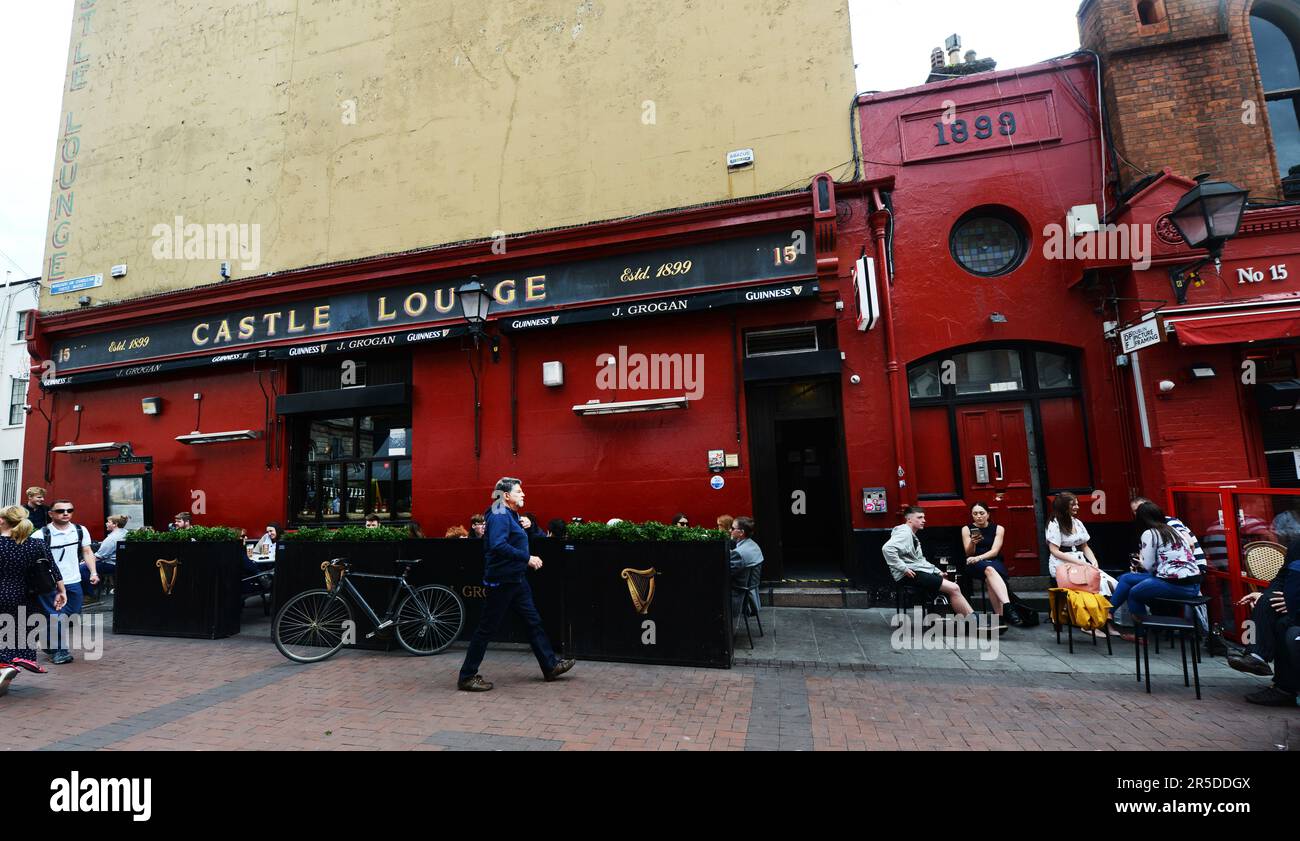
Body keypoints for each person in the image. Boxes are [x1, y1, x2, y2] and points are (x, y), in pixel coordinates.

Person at [458, 477, 574, 691]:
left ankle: (550, 666)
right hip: (502, 580)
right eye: (519, 491)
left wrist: (527, 526)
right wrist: (527, 558)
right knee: (486, 629)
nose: (523, 494)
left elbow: (511, 538)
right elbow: (498, 545)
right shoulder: (500, 513)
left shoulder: (509, 513)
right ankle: (467, 676)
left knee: (533, 622)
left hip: (515, 579)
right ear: (506, 495)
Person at [1108, 501, 1203, 640]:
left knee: (1134, 592)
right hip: (1193, 584)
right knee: (1126, 578)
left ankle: (1140, 634)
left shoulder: (1149, 533)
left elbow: (1148, 565)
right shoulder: (1174, 530)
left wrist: (1141, 562)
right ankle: (1109, 612)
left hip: (1175, 585)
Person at [1, 505, 66, 692]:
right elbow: (52, 569)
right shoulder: (36, 544)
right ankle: (15, 661)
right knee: (19, 631)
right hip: (26, 596)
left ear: (2, 520)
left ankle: (6, 665)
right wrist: (61, 592)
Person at [1228, 537, 1300, 706]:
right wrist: (1267, 595)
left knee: (1285, 626)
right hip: (1292, 601)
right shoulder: (1297, 544)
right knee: (1264, 602)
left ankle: (1285, 689)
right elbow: (1281, 578)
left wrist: (1293, 600)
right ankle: (1255, 656)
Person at [32, 499, 95, 664]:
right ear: (51, 514)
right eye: (60, 511)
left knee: (72, 614)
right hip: (50, 583)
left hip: (73, 580)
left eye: (69, 510)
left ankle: (46, 636)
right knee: (56, 616)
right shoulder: (41, 534)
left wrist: (93, 572)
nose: (66, 513)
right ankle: (60, 651)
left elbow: (87, 551)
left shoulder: (80, 530)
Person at [882, 506, 973, 617]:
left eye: (924, 517)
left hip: (915, 572)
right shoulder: (904, 533)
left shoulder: (912, 535)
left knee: (953, 587)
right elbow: (887, 549)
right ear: (909, 519)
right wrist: (904, 569)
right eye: (919, 517)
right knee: (954, 588)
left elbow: (920, 561)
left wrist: (937, 571)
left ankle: (970, 618)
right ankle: (973, 620)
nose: (924, 520)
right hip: (908, 575)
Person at [1046, 491, 1117, 610]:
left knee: (1111, 582)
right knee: (1097, 585)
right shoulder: (1054, 524)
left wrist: (1093, 561)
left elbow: (1084, 546)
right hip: (1063, 565)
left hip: (1081, 562)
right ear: (1064, 507)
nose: (1077, 507)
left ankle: (1105, 618)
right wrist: (1079, 563)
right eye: (1073, 504)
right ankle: (1092, 621)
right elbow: (1054, 551)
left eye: (1077, 504)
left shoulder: (1077, 523)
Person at [961, 502, 1013, 629]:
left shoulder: (998, 528)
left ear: (988, 514)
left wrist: (978, 558)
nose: (978, 516)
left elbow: (994, 551)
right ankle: (1006, 608)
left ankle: (999, 618)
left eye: (981, 513)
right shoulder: (967, 529)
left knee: (990, 574)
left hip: (992, 559)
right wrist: (973, 543)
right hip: (974, 564)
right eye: (975, 514)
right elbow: (969, 553)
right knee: (989, 570)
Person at [83, 514, 128, 601]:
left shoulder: (111, 538)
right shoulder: (125, 532)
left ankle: (89, 596)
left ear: (115, 524)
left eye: (109, 522)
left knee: (83, 568)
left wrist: (85, 561)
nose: (106, 523)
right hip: (120, 563)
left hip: (111, 565)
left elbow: (99, 556)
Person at [728, 516, 763, 625]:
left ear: (741, 532)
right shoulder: (754, 545)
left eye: (733, 528)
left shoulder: (739, 553)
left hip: (738, 595)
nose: (730, 530)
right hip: (751, 592)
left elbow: (726, 574)